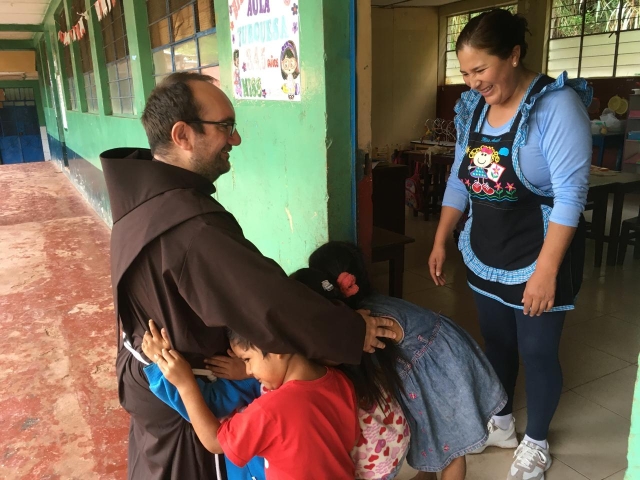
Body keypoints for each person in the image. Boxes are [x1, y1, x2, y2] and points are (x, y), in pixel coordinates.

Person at [100, 72, 395, 480]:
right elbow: (268, 302)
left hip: (152, 375)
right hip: (185, 392)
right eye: (225, 126)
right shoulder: (192, 226)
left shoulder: (143, 197)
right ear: (182, 135)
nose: (235, 139)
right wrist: (351, 330)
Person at [427, 9, 592, 480]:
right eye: (465, 72)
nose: (472, 82)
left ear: (514, 55)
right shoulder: (474, 108)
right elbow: (460, 181)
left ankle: (536, 441)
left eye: (480, 69)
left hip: (539, 251)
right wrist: (440, 239)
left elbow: (571, 195)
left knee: (537, 351)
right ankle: (500, 423)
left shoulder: (555, 106)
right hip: (487, 249)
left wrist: (546, 272)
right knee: (496, 342)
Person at [305, 241, 508, 480]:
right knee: (429, 430)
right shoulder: (361, 310)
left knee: (450, 443)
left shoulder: (370, 321)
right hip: (425, 365)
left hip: (446, 366)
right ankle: (426, 476)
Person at [144, 321, 360, 479]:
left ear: (276, 349)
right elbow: (349, 437)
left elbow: (215, 442)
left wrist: (185, 384)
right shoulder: (340, 381)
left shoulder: (270, 410)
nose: (247, 370)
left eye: (247, 359)